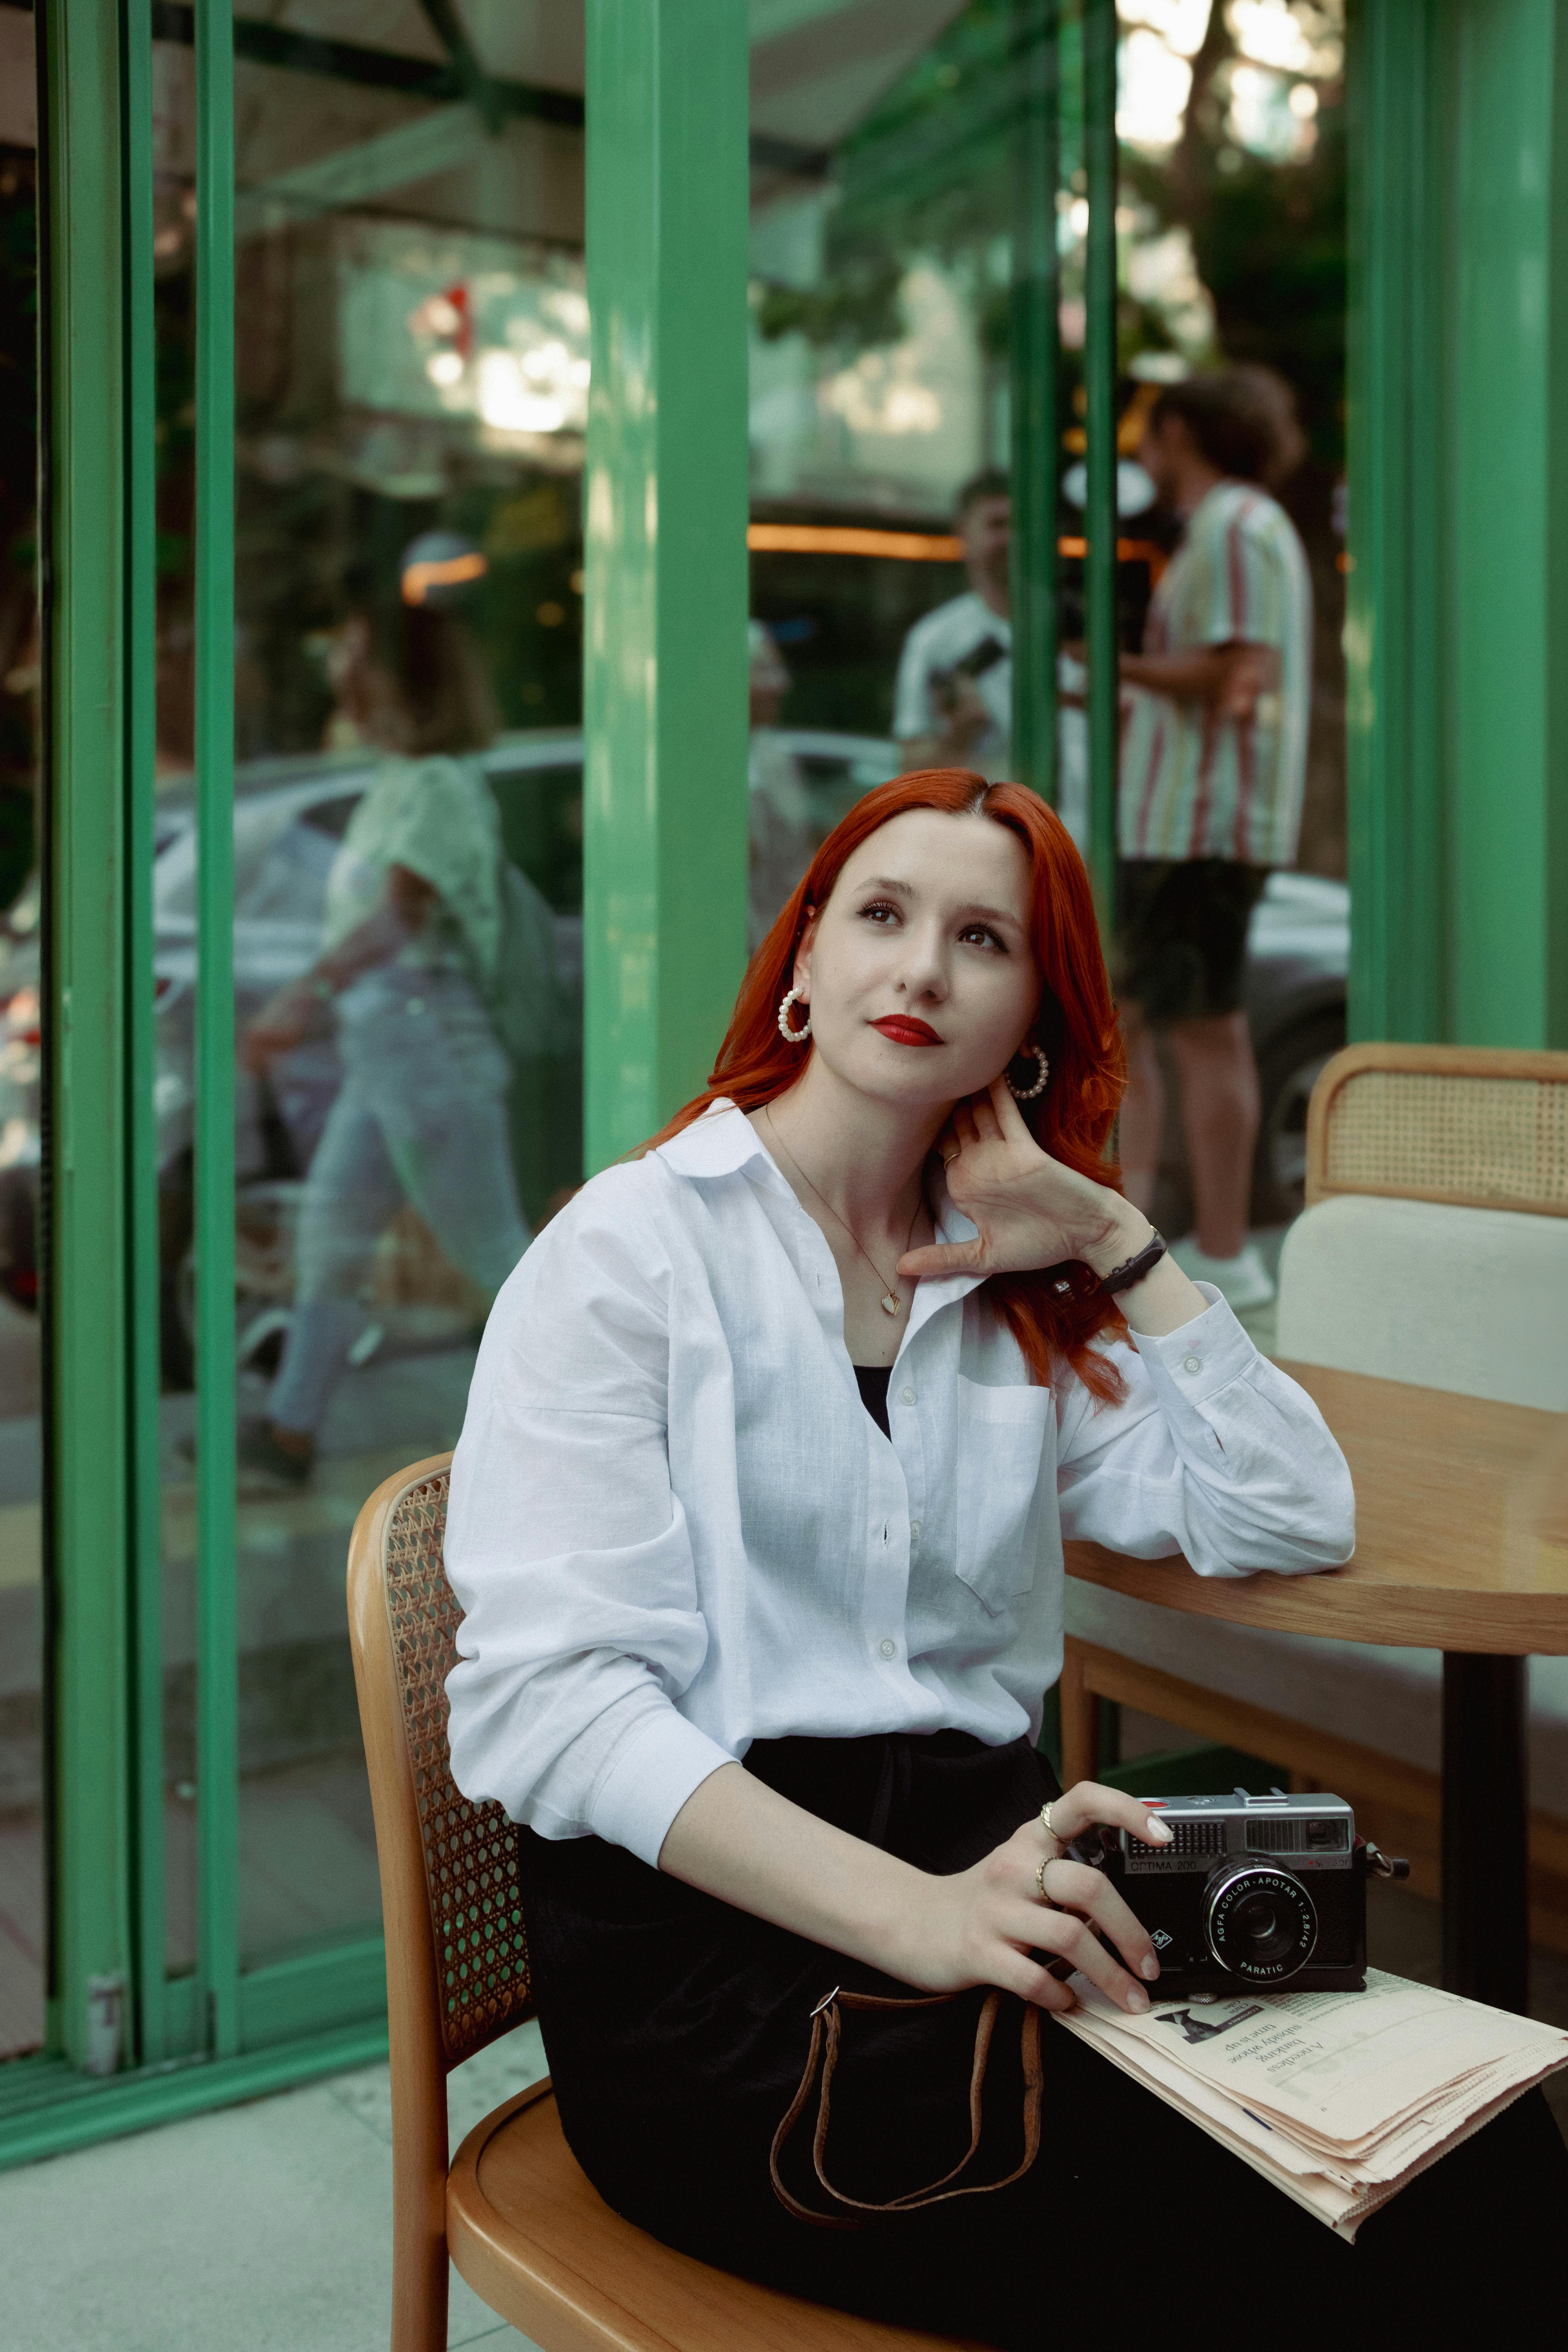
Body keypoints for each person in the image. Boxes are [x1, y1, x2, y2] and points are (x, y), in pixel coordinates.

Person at [442, 767, 1564, 2347]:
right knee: (1339, 2248)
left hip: (1011, 1905)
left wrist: (1110, 1233)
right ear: (807, 954)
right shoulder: (632, 1256)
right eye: (882, 917)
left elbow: (1284, 1513)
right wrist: (921, 1918)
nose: (919, 970)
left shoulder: (1006, 1294)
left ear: (1034, 1016)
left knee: (1483, 2144)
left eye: (982, 939)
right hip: (734, 1984)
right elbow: (553, 1710)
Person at [239, 594, 531, 1484]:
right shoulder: (398, 777)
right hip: (386, 1056)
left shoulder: (440, 781)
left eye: (352, 651)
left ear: (399, 675)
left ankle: (612, 1433)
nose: (336, 666)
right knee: (333, 1236)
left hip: (427, 1047)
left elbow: (402, 913)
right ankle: (289, 1430)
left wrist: (307, 991)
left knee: (500, 1260)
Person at [1115, 365, 1313, 1310]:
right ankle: (1177, 1237)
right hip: (1193, 819)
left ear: (1182, 432)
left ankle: (1222, 1248)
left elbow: (1241, 671)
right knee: (1168, 1025)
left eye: (1149, 434)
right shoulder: (1243, 525)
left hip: (1197, 821)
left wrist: (1117, 665)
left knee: (1195, 1031)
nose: (1141, 455)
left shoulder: (1232, 526)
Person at [895, 470, 1090, 844]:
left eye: (1023, 524)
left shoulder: (1079, 628)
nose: (1012, 538)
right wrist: (959, 734)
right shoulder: (936, 640)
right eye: (998, 524)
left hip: (1082, 849)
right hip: (994, 848)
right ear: (963, 534)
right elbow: (909, 773)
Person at [746, 620, 816, 952]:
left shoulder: (775, 758)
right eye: (763, 669)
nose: (780, 684)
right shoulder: (694, 766)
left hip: (779, 947)